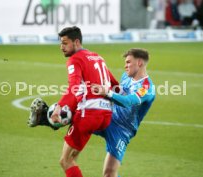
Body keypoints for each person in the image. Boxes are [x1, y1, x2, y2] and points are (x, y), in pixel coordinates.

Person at [28, 26, 119, 177]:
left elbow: (74, 86)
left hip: (89, 116)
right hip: (105, 116)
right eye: (60, 43)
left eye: (65, 43)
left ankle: (48, 120)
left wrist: (59, 107)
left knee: (65, 160)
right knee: (73, 157)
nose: (61, 47)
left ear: (76, 42)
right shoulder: (97, 57)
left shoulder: (75, 59)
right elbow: (115, 86)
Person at [92, 48, 155, 177]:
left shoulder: (146, 88)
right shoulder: (126, 76)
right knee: (79, 116)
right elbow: (120, 91)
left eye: (128, 62)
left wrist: (107, 93)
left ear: (139, 63)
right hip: (110, 117)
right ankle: (49, 118)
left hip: (123, 130)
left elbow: (128, 101)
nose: (125, 66)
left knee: (109, 174)